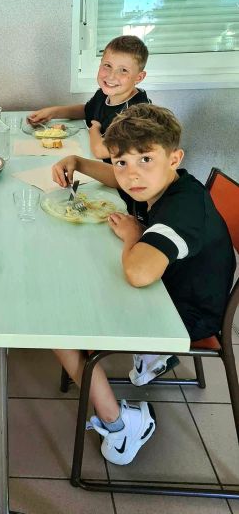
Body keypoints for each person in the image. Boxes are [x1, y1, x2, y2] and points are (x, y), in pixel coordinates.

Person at [50, 103, 235, 465]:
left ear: (174, 158)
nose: (131, 175)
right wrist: (79, 162)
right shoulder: (165, 184)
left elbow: (138, 274)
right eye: (122, 162)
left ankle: (121, 425)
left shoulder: (181, 211)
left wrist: (134, 235)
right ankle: (149, 360)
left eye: (145, 159)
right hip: (176, 289)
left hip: (183, 314)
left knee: (58, 323)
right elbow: (117, 178)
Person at [29, 35, 150, 160]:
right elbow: (87, 111)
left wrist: (94, 129)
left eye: (123, 70)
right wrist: (53, 112)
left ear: (139, 77)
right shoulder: (104, 94)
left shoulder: (139, 114)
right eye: (107, 65)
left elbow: (101, 151)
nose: (111, 76)